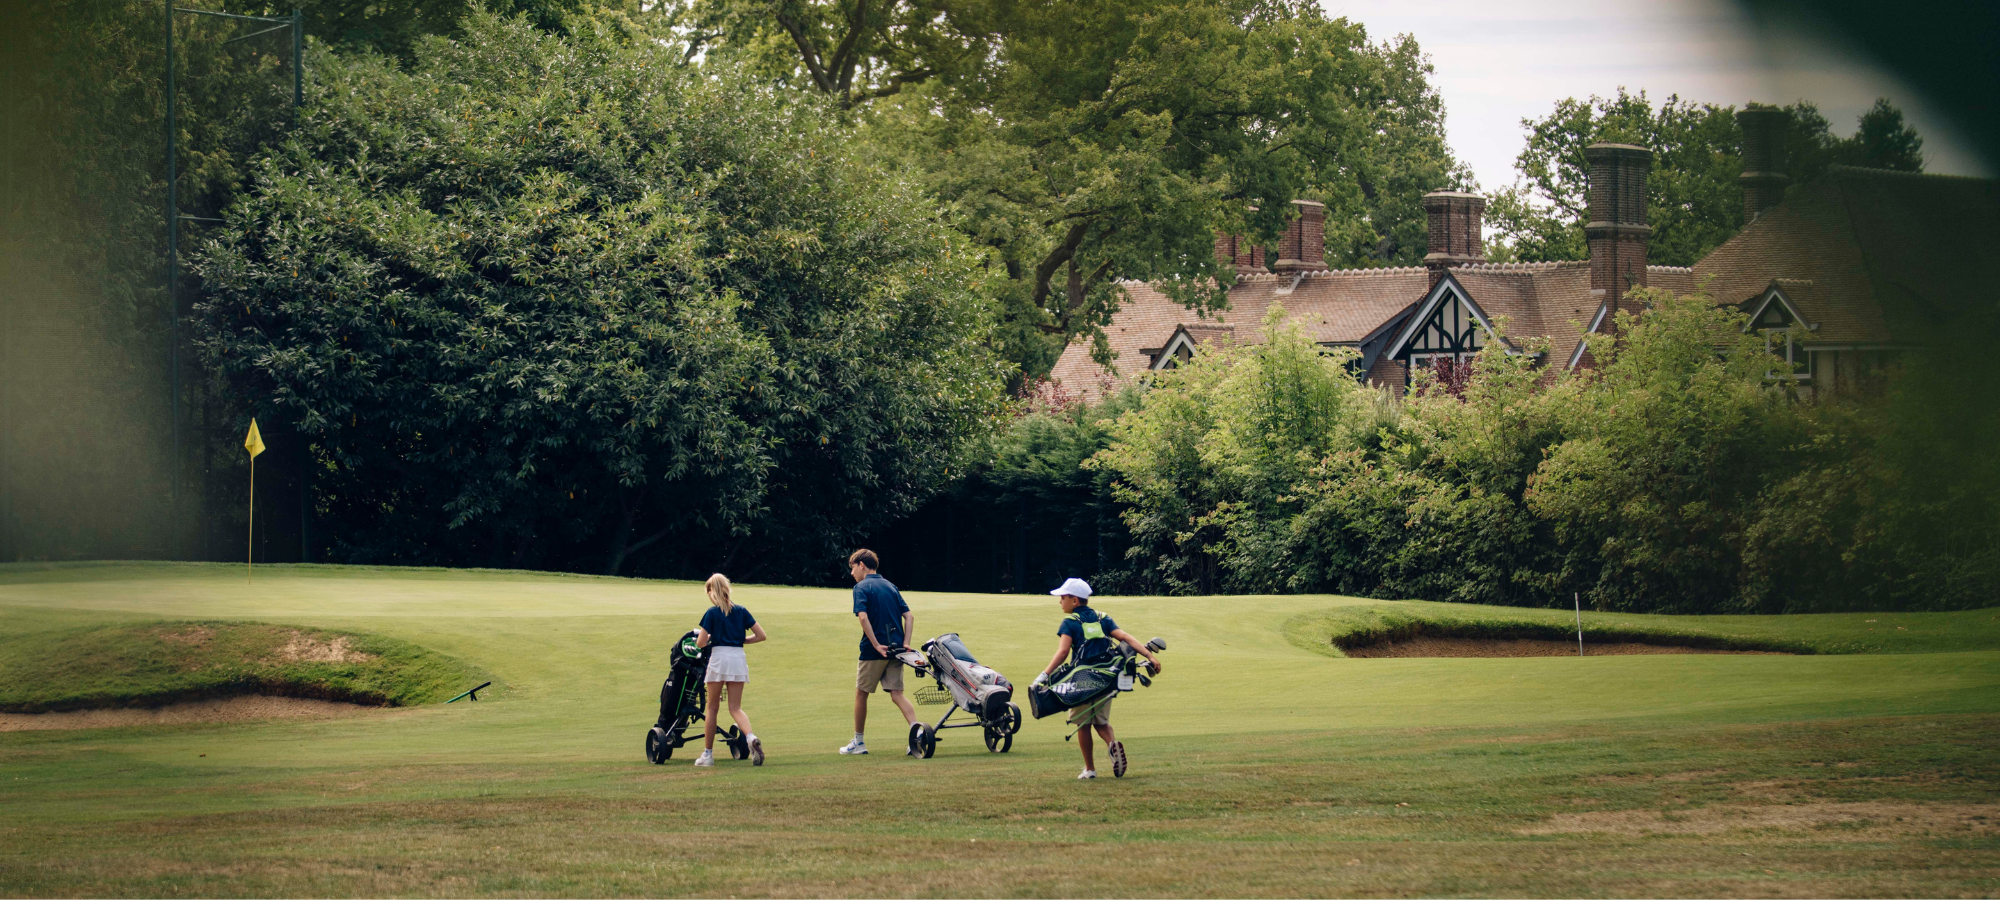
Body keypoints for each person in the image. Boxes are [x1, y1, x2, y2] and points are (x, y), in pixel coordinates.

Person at [1032, 577, 1161, 780]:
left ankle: (1090, 769)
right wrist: (1150, 656)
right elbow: (1125, 637)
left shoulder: (1070, 622)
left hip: (1080, 681)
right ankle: (1112, 745)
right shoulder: (1102, 618)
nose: (1060, 601)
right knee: (1101, 722)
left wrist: (1044, 674)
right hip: (1106, 678)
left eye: (1063, 597)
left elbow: (1063, 652)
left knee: (1082, 724)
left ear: (1075, 601)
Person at [839, 549, 921, 756]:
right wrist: (906, 643)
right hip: (897, 649)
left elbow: (863, 618)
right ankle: (917, 733)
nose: (852, 573)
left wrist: (876, 644)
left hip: (873, 651)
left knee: (861, 693)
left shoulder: (860, 587)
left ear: (861, 565)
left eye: (852, 568)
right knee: (897, 694)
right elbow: (909, 617)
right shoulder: (891, 586)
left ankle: (858, 742)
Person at [693, 573, 767, 767]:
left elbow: (700, 642)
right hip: (737, 658)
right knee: (735, 707)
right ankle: (750, 737)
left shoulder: (712, 612)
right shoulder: (741, 611)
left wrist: (709, 638)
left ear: (712, 592)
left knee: (712, 707)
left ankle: (708, 755)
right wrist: (741, 640)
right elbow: (761, 635)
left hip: (718, 658)